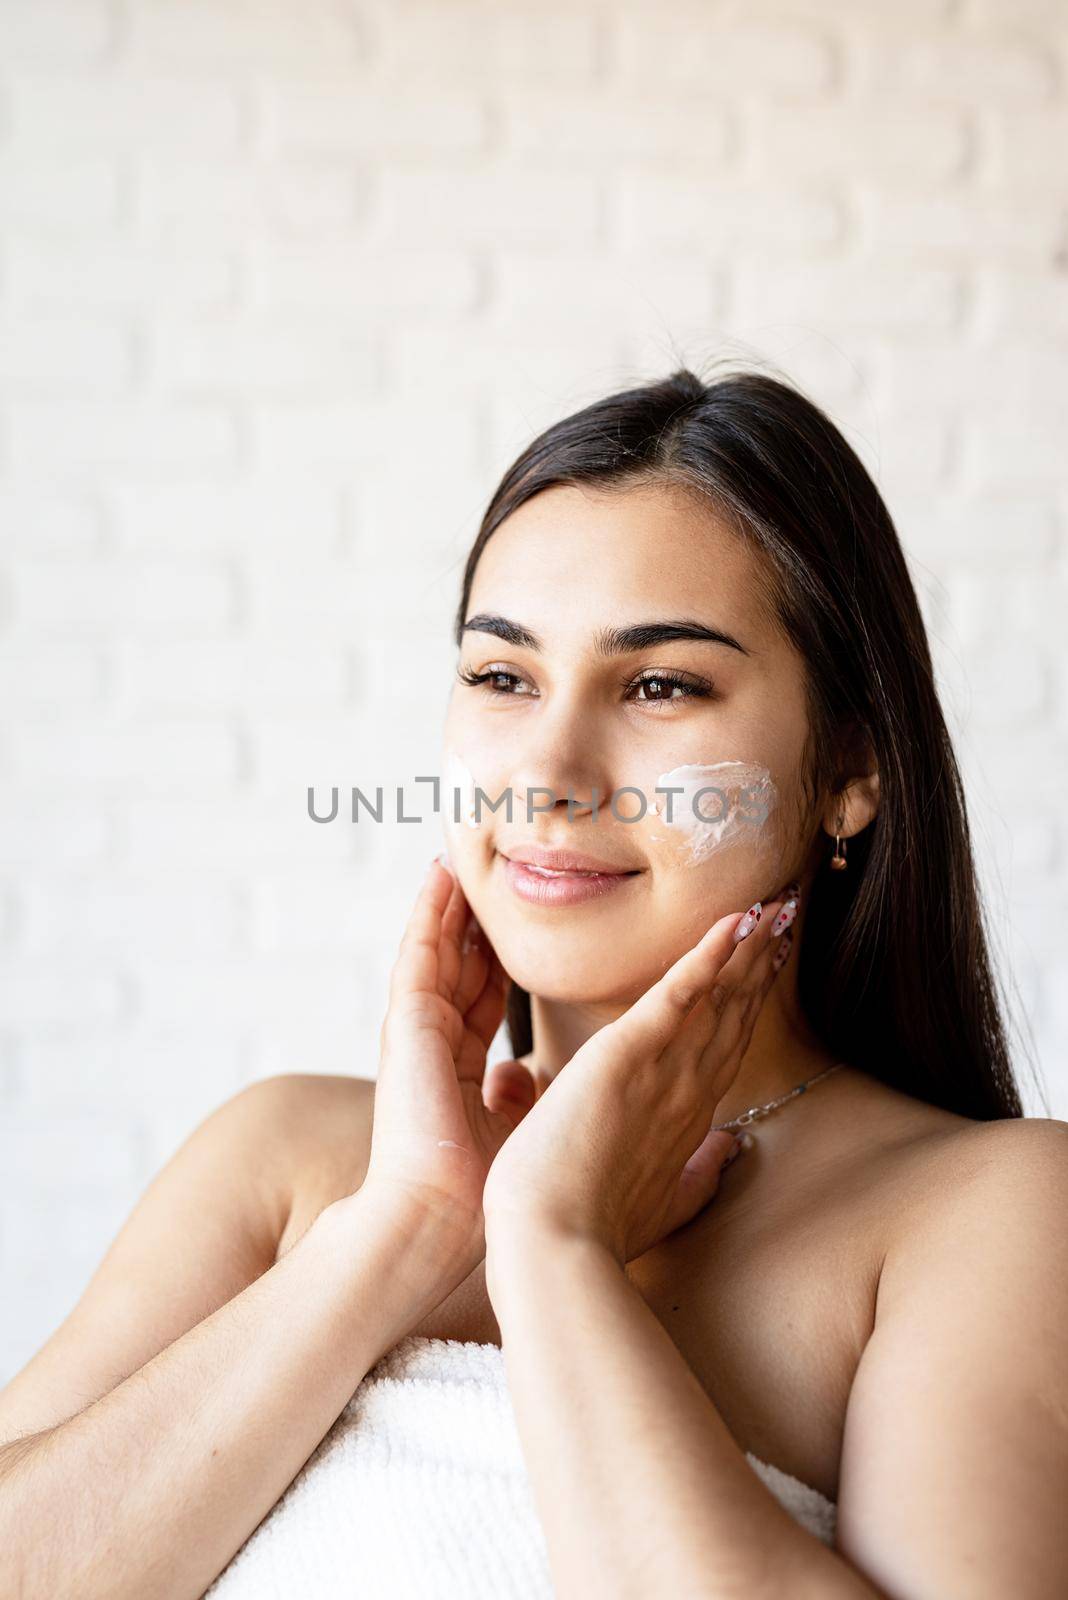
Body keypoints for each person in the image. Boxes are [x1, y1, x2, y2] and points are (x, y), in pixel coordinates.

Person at [0, 364, 1064, 1599]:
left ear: (849, 769)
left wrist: (554, 1250)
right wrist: (399, 1233)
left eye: (662, 684)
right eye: (502, 678)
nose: (548, 773)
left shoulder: (983, 1214)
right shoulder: (288, 1159)